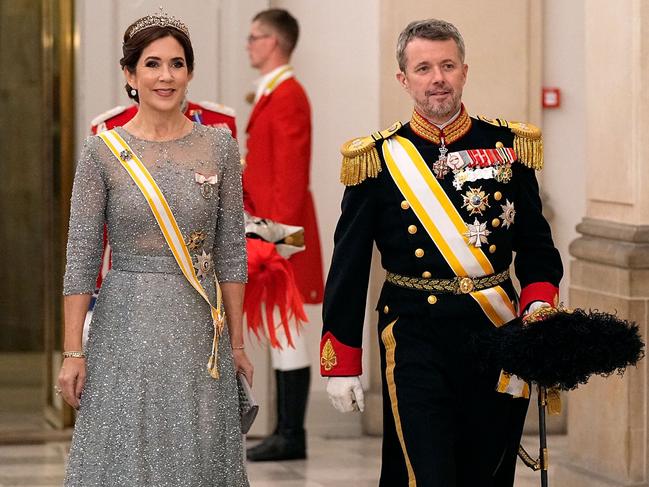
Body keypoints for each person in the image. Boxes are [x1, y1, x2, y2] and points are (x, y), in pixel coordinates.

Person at [321, 18, 563, 487]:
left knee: (489, 472)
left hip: (496, 333)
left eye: (447, 65)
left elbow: (535, 244)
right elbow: (348, 265)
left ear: (464, 71)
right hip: (414, 334)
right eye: (424, 68)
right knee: (426, 472)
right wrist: (343, 360)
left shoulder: (507, 147)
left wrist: (537, 307)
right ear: (404, 79)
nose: (437, 78)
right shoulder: (377, 158)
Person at [57, 12, 251, 486]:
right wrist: (71, 351)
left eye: (177, 64)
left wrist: (239, 343)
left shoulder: (219, 146)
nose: (166, 76)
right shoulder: (101, 151)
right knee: (125, 450)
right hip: (124, 322)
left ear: (189, 72)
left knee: (200, 451)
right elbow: (81, 255)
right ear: (130, 74)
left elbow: (230, 251)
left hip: (198, 325)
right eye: (152, 64)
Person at [243, 8, 324, 462]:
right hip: (275, 234)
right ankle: (285, 431)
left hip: (282, 238)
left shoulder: (288, 94)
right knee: (281, 335)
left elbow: (291, 182)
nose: (249, 45)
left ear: (272, 42)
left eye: (254, 37)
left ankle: (292, 434)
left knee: (288, 333)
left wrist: (275, 245)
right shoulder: (276, 93)